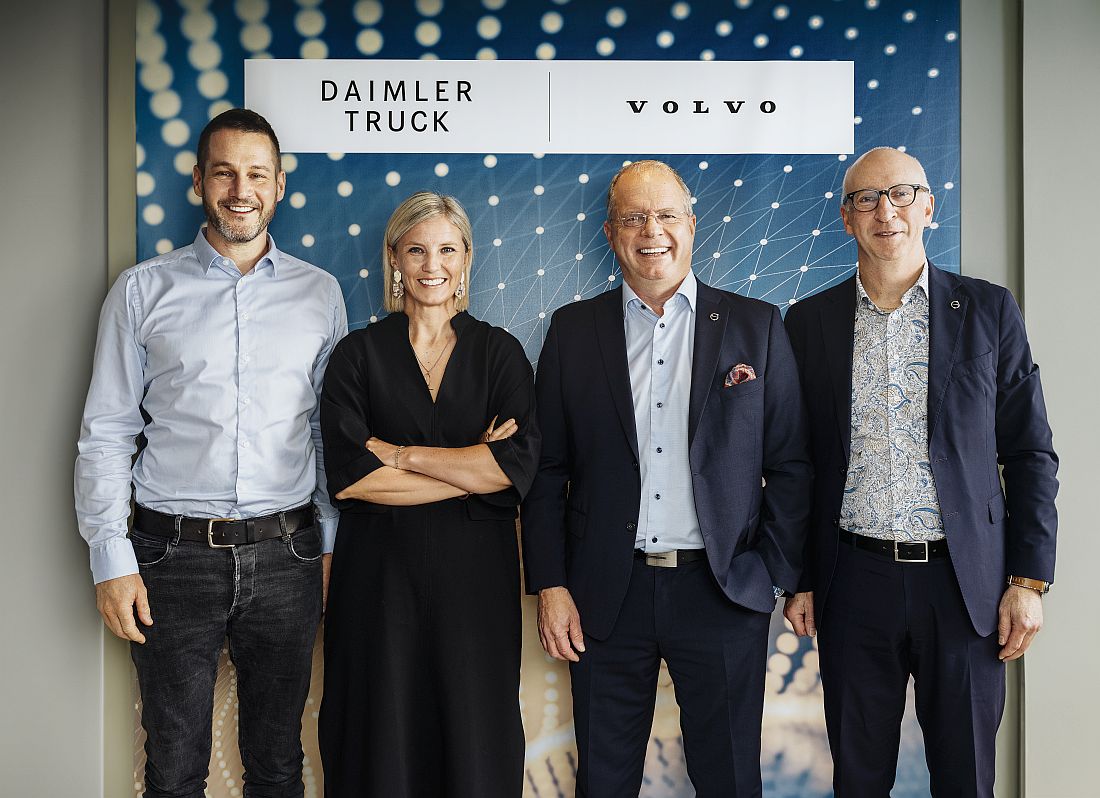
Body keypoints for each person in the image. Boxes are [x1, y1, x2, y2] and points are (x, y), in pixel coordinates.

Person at [75, 108, 347, 798]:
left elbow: (326, 433)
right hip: (169, 558)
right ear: (199, 181)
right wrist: (110, 559)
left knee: (278, 766)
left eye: (257, 174)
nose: (240, 190)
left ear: (279, 184)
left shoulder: (320, 293)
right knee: (173, 771)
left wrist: (329, 548)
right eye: (224, 173)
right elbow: (107, 431)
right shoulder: (141, 290)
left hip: (289, 557)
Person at [521, 160, 812, 798]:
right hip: (605, 594)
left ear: (691, 224)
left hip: (722, 591)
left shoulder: (757, 325)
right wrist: (551, 583)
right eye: (633, 218)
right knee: (604, 781)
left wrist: (772, 574)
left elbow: (791, 464)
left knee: (729, 779)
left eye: (666, 215)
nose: (651, 231)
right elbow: (547, 471)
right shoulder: (574, 331)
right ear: (610, 233)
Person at [783, 146, 1058, 797]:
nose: (886, 212)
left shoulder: (989, 311)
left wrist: (1028, 580)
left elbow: (1030, 452)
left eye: (901, 194)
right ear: (847, 218)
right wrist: (798, 578)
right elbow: (796, 461)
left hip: (964, 585)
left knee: (966, 778)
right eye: (867, 199)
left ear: (929, 206)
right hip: (853, 581)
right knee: (859, 778)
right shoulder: (809, 323)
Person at [318, 191, 540, 797]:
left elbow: (512, 469)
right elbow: (354, 478)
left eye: (446, 250)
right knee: (378, 742)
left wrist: (402, 455)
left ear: (466, 258)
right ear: (394, 258)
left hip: (477, 591)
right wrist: (468, 470)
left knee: (474, 742)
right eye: (416, 251)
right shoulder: (357, 355)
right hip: (377, 588)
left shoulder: (499, 353)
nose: (432, 265)